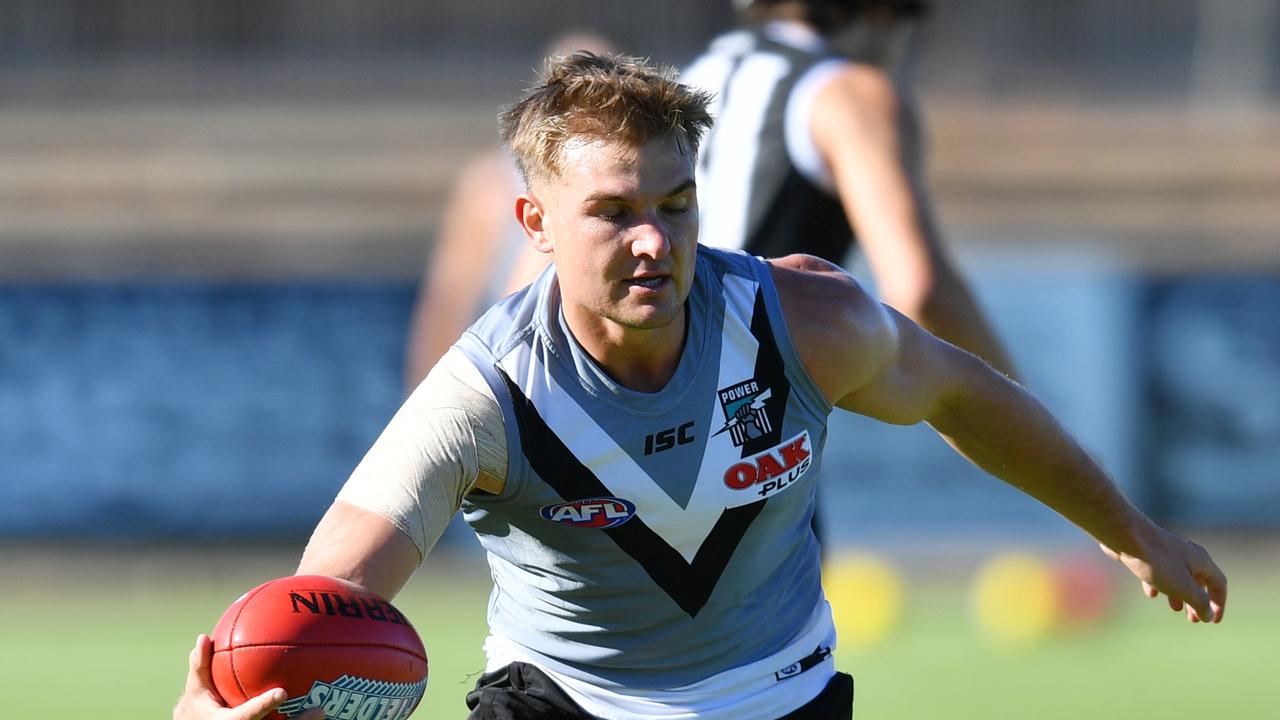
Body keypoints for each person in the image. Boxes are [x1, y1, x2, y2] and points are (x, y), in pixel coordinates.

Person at [175, 52, 1226, 720]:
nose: (652, 241)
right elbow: (331, 593)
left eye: (677, 205)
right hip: (562, 704)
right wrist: (226, 694)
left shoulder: (803, 323)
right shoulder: (483, 395)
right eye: (613, 211)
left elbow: (961, 393)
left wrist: (1129, 530)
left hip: (781, 698)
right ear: (533, 225)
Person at [683, 0, 1017, 377]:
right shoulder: (849, 91)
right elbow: (922, 294)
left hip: (653, 388)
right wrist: (1033, 427)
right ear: (879, 11)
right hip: (738, 401)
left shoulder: (699, 71)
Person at [404, 32, 615, 390]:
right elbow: (447, 305)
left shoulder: (636, 183)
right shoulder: (492, 186)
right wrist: (425, 406)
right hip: (510, 380)